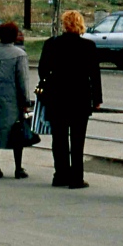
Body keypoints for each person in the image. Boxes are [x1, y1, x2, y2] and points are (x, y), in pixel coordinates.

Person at [37, 10, 102, 188]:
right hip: (80, 97)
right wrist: (97, 98)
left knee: (58, 138)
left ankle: (60, 175)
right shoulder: (88, 46)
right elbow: (94, 75)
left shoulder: (51, 44)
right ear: (81, 24)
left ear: (64, 24)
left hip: (56, 96)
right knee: (77, 139)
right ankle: (76, 178)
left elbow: (42, 70)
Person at [0, 21, 31, 180]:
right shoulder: (19, 54)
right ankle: (18, 168)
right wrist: (26, 102)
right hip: (13, 99)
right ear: (14, 35)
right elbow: (23, 80)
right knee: (16, 132)